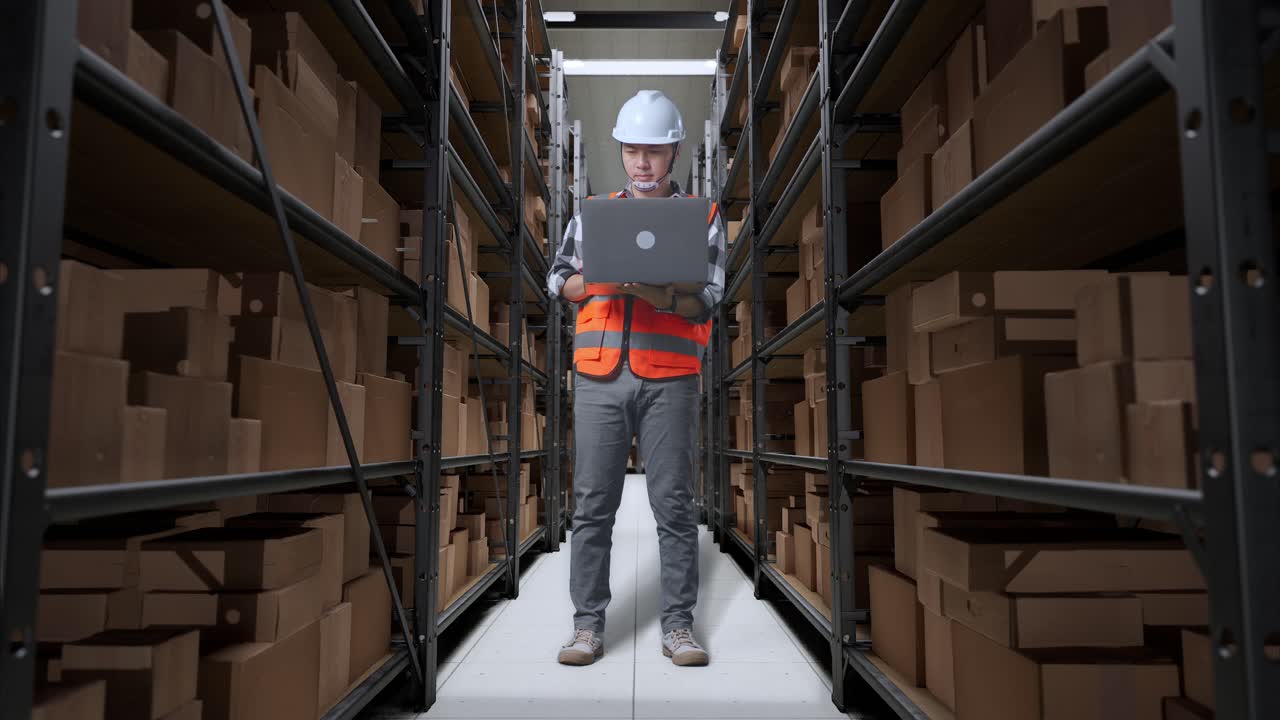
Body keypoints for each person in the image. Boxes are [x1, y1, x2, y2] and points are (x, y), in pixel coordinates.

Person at [546, 90, 726, 667]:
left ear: (674, 153)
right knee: (592, 503)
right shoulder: (591, 211)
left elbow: (710, 300)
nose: (641, 163)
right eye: (632, 151)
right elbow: (559, 282)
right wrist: (603, 278)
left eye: (653, 151)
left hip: (669, 376)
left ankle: (678, 627)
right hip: (600, 376)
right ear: (620, 153)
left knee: (674, 505)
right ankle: (586, 627)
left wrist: (663, 296)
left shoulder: (704, 216)